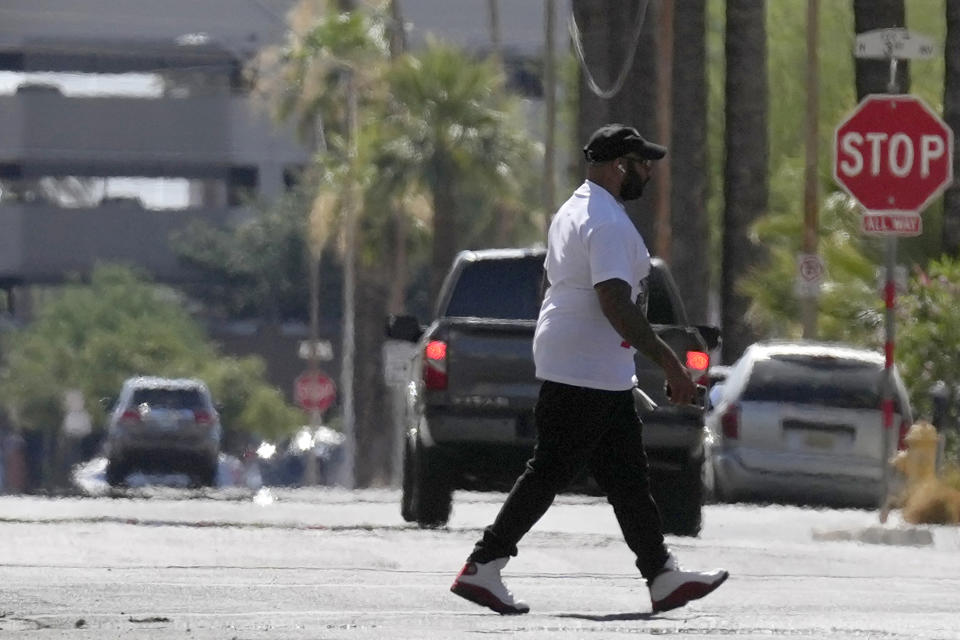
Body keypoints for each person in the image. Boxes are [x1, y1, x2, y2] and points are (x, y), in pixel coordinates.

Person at [450, 124, 728, 615]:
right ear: (619, 166)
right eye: (642, 165)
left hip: (588, 361)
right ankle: (483, 564)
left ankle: (661, 576)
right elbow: (615, 301)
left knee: (625, 477)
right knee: (551, 469)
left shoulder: (575, 209)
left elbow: (556, 286)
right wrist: (671, 365)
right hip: (587, 365)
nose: (647, 173)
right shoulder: (607, 222)